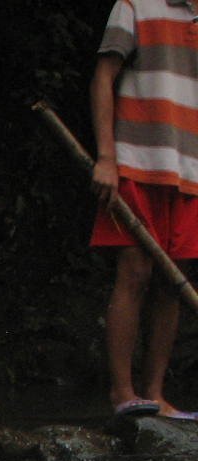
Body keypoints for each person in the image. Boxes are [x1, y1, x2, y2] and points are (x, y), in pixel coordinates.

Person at [90, 0, 198, 420]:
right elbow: (103, 76)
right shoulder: (135, 4)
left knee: (174, 282)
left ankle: (156, 394)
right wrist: (106, 157)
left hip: (190, 169)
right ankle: (123, 392)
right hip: (138, 160)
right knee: (134, 270)